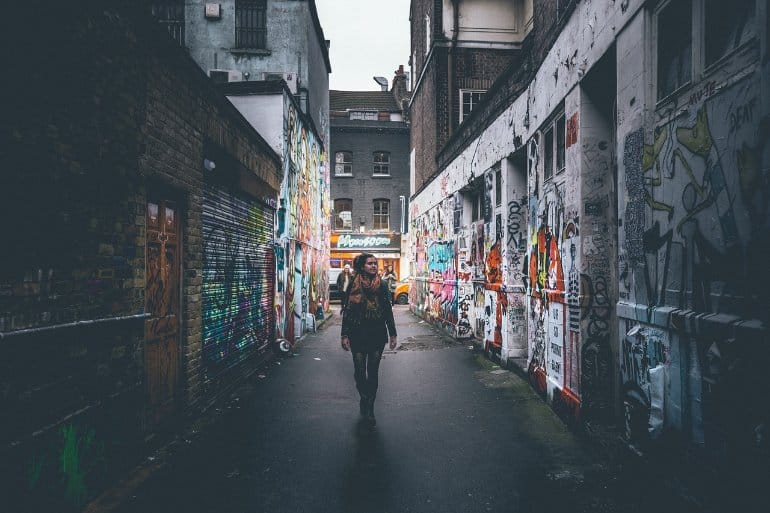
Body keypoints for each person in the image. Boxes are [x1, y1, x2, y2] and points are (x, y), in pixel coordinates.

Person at [340, 253, 398, 426]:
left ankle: (370, 408)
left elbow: (387, 310)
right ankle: (364, 397)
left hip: (377, 333)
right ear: (362, 266)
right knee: (359, 372)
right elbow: (347, 310)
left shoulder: (383, 285)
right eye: (370, 263)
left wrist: (393, 334)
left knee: (372, 372)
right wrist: (344, 334)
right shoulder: (353, 283)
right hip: (357, 332)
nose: (373, 266)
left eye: (375, 263)